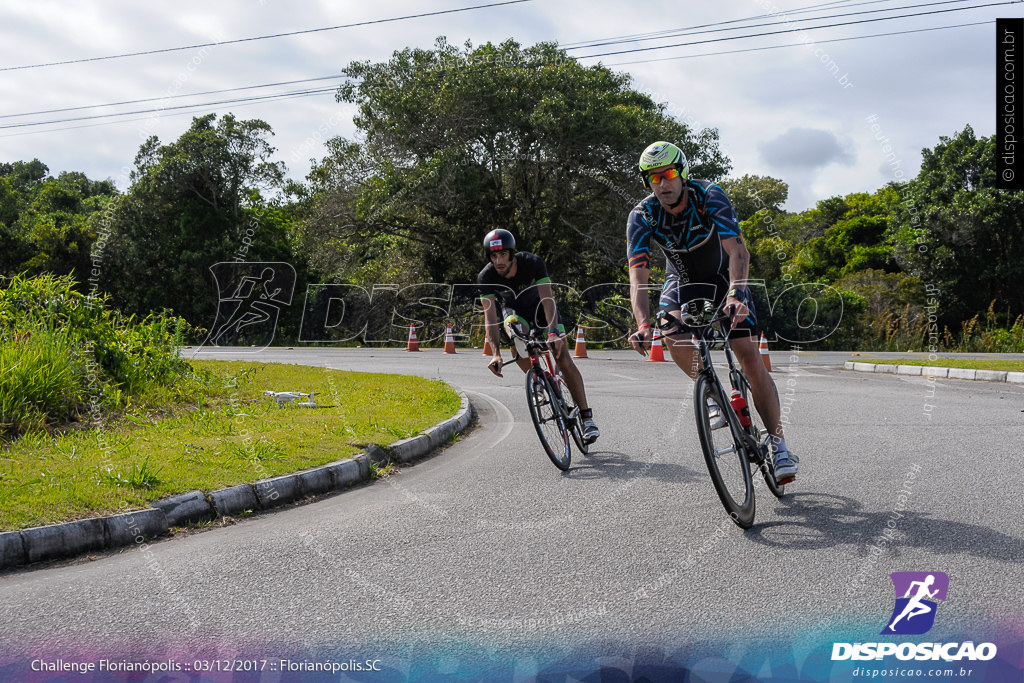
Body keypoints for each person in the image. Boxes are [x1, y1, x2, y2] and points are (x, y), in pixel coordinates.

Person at [625, 141, 798, 483]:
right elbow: (638, 277)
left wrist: (737, 294)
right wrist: (642, 323)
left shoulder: (709, 195)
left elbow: (738, 251)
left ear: (683, 173)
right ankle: (712, 390)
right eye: (654, 178)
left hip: (723, 275)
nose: (663, 184)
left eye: (669, 174)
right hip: (683, 278)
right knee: (670, 332)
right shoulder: (641, 215)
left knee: (748, 355)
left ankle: (779, 445)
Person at [477, 229, 600, 443]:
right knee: (515, 335)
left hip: (542, 309)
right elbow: (490, 319)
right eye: (494, 256)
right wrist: (495, 354)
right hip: (515, 312)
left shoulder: (532, 262)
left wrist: (553, 331)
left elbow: (548, 298)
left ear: (512, 254)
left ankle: (587, 418)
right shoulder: (486, 276)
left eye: (503, 255)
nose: (498, 261)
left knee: (562, 355)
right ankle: (540, 380)